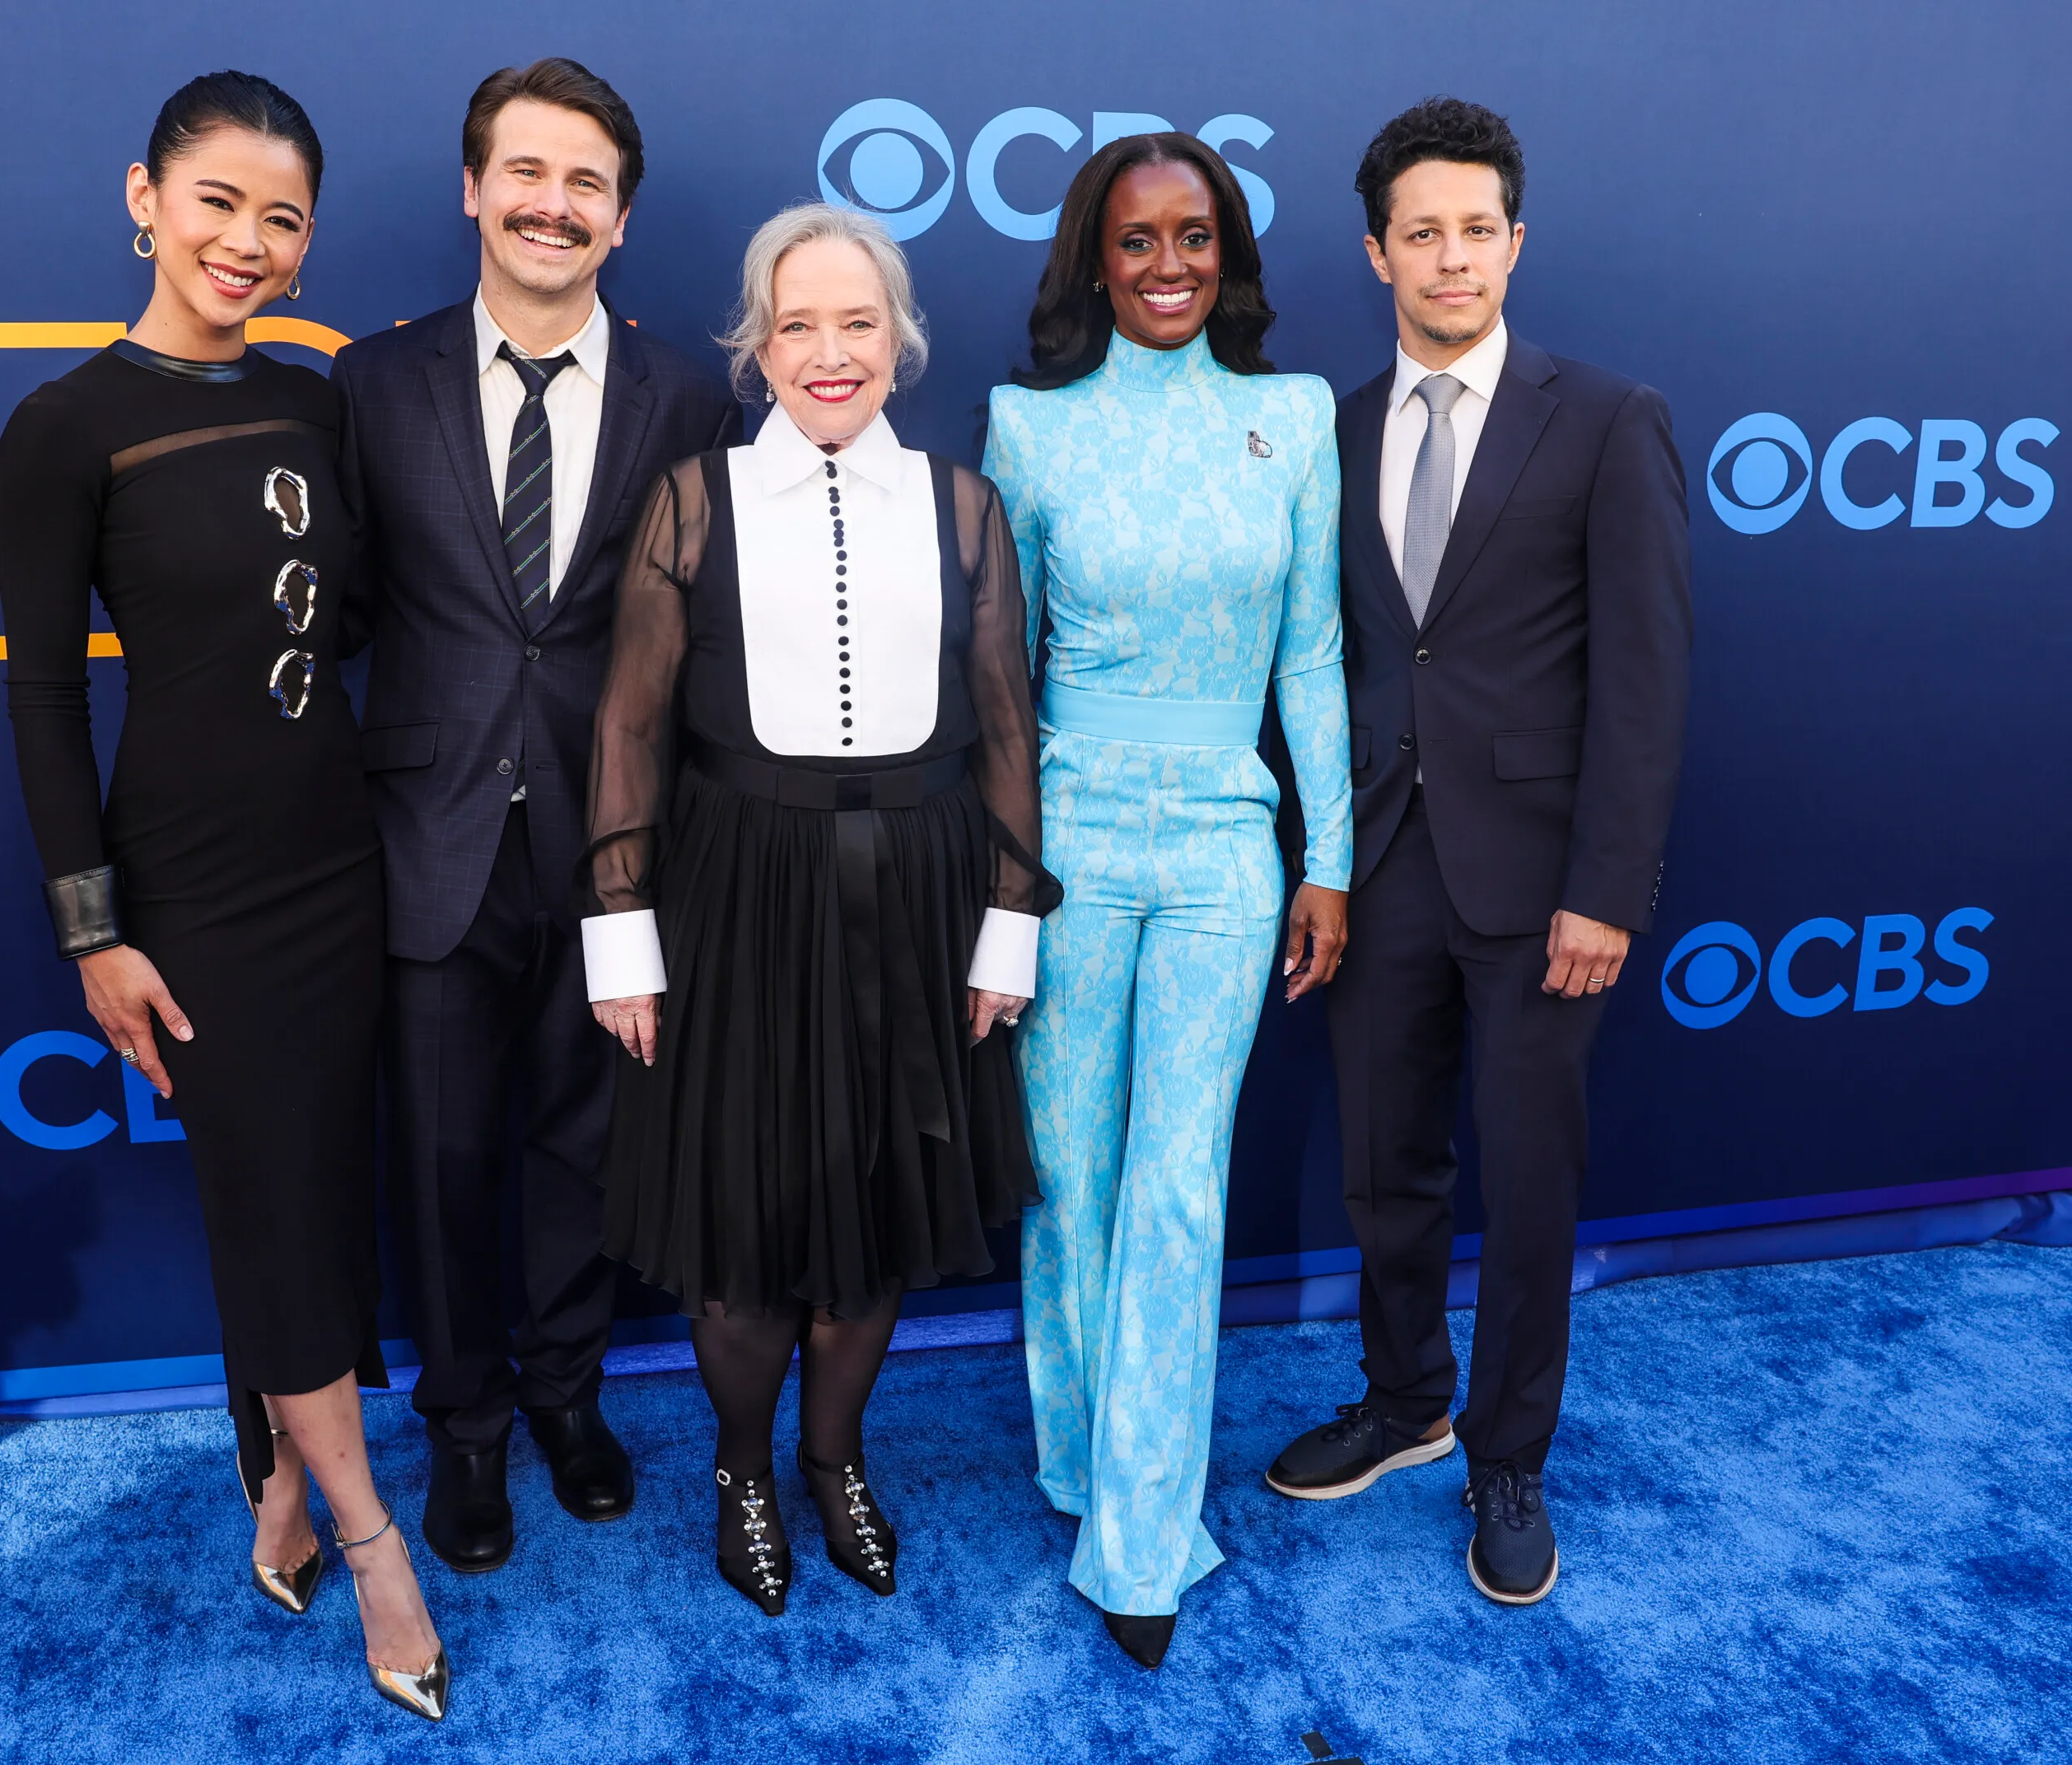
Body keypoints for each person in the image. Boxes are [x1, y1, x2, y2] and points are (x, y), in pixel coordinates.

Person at [0, 72, 446, 1719]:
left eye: (281, 219)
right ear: (144, 199)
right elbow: (43, 696)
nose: (247, 243)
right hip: (189, 887)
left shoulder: (320, 406)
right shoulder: (64, 428)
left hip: (342, 857)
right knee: (264, 1200)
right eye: (217, 205)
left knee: (328, 1191)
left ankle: (279, 1476)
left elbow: (358, 621)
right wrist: (93, 927)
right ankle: (373, 1534)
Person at [581, 202, 1055, 1615]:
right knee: (744, 1224)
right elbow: (629, 729)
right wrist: (622, 931)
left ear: (899, 342)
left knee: (880, 1211)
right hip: (737, 894)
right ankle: (742, 1468)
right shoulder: (694, 498)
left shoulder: (963, 503)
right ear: (759, 344)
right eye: (799, 323)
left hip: (915, 892)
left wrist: (1008, 922)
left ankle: (834, 1455)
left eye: (858, 322)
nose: (830, 351)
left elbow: (1008, 728)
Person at [1262, 99, 1690, 1608]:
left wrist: (1604, 887)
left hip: (1539, 888)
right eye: (1421, 231)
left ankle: (1510, 1452)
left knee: (1527, 1176)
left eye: (1478, 228)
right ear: (1378, 250)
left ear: (1518, 241)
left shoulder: (1606, 416)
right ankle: (1408, 1402)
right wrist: (1321, 856)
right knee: (1387, 1167)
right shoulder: (1335, 426)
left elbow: (1646, 680)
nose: (1453, 256)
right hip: (1378, 869)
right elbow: (1326, 657)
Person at [329, 58, 742, 1576]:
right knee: (441, 1159)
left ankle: (569, 1399)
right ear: (473, 189)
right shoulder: (374, 383)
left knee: (585, 1145)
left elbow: (700, 638)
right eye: (527, 172)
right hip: (428, 836)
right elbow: (345, 616)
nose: (551, 204)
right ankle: (467, 1429)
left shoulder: (684, 398)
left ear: (620, 218)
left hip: (613, 843)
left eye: (585, 184)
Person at [985, 133, 1352, 1669]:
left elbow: (1312, 653)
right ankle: (1081, 1464)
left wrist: (1328, 853)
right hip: (1066, 840)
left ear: (1232, 255)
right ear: (1091, 259)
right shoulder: (1027, 424)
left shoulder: (1293, 416)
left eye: (1195, 238)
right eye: (1136, 243)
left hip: (1222, 850)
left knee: (1180, 1180)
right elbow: (997, 684)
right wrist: (1001, 888)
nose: (1168, 268)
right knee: (1072, 1179)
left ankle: (1143, 1531)